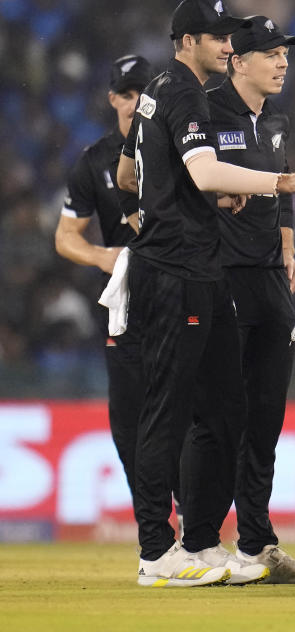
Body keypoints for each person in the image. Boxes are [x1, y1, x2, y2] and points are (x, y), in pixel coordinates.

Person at [115, 0, 295, 587]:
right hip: (176, 268)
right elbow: (203, 170)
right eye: (218, 38)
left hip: (200, 267)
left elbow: (137, 172)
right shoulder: (187, 93)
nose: (226, 45)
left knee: (224, 408)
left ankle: (207, 544)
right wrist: (279, 181)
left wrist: (207, 196)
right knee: (169, 411)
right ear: (188, 41)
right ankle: (156, 553)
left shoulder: (164, 90)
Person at [207, 15, 295, 583]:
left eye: (286, 53)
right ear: (238, 61)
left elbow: (283, 195)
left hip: (267, 280)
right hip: (219, 276)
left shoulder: (274, 121)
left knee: (265, 419)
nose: (282, 63)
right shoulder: (205, 112)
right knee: (216, 417)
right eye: (271, 53)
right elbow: (179, 186)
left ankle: (256, 544)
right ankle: (198, 542)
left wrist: (288, 248)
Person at [54, 54, 152, 500]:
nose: (135, 103)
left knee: (191, 411)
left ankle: (193, 523)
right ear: (113, 98)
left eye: (143, 94)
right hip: (127, 305)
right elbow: (65, 237)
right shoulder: (94, 161)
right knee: (127, 418)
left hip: (184, 296)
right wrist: (102, 256)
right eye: (127, 94)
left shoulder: (183, 150)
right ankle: (154, 526)